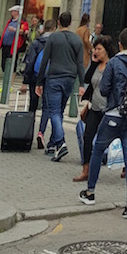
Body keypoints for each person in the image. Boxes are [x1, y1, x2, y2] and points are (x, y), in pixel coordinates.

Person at [79, 26, 127, 219]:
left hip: (114, 115)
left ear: (120, 44)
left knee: (97, 150)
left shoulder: (114, 63)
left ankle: (90, 192)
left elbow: (104, 90)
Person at [35, 11, 85, 161]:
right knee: (60, 111)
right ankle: (52, 144)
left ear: (58, 22)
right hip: (70, 79)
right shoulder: (77, 40)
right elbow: (80, 64)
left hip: (54, 78)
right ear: (70, 23)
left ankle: (61, 142)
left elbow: (45, 60)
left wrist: (39, 81)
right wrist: (82, 84)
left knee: (54, 112)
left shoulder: (53, 38)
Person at [73, 35, 114, 183]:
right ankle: (86, 169)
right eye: (94, 48)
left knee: (113, 139)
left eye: (98, 49)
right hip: (94, 108)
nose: (95, 51)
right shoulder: (96, 65)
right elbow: (86, 79)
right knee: (88, 137)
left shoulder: (113, 65)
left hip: (108, 110)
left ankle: (125, 165)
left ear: (106, 50)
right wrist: (92, 63)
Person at [0, 5, 27, 71]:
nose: (11, 13)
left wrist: (14, 29)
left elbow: (23, 31)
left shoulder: (22, 22)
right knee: (4, 64)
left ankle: (11, 79)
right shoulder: (10, 21)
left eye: (12, 11)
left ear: (16, 12)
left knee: (12, 64)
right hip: (5, 45)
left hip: (13, 46)